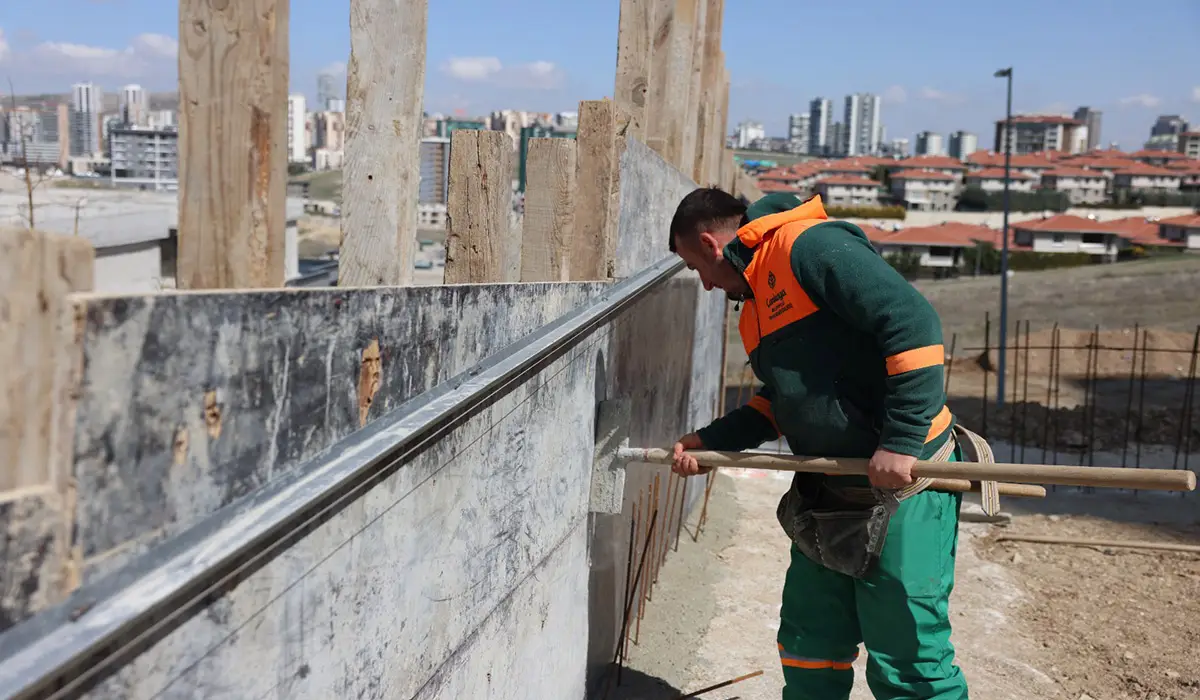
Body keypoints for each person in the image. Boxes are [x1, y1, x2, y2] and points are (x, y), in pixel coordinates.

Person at [668, 188, 969, 700]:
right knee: (811, 645)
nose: (704, 285)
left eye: (696, 267)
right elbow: (784, 400)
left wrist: (900, 442)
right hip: (828, 487)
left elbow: (914, 324)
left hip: (903, 483)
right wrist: (713, 441)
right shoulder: (754, 306)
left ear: (710, 244)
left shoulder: (807, 247)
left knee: (907, 658)